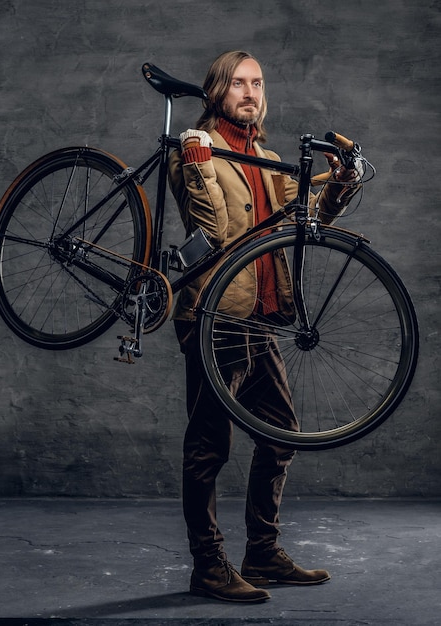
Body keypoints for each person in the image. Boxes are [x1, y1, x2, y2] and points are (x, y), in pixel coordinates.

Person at [168, 50, 360, 603]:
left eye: (256, 83)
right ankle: (207, 565)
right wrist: (201, 161)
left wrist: (341, 183)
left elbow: (312, 221)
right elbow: (217, 228)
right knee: (209, 445)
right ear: (216, 92)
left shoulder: (270, 160)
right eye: (237, 83)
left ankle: (262, 552)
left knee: (280, 435)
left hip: (260, 321)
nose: (249, 92)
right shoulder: (196, 150)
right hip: (215, 316)